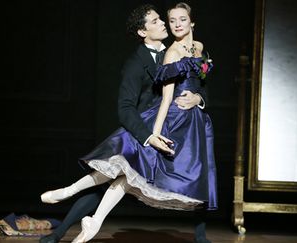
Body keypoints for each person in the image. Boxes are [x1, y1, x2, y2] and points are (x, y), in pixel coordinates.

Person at [39, 3, 215, 243]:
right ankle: (62, 224)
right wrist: (148, 135)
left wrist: (198, 98)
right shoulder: (137, 63)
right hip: (145, 127)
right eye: (157, 21)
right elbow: (126, 108)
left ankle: (83, 219)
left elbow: (198, 82)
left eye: (165, 20)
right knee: (113, 173)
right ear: (143, 32)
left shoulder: (181, 49)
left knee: (187, 169)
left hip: (174, 124)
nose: (165, 23)